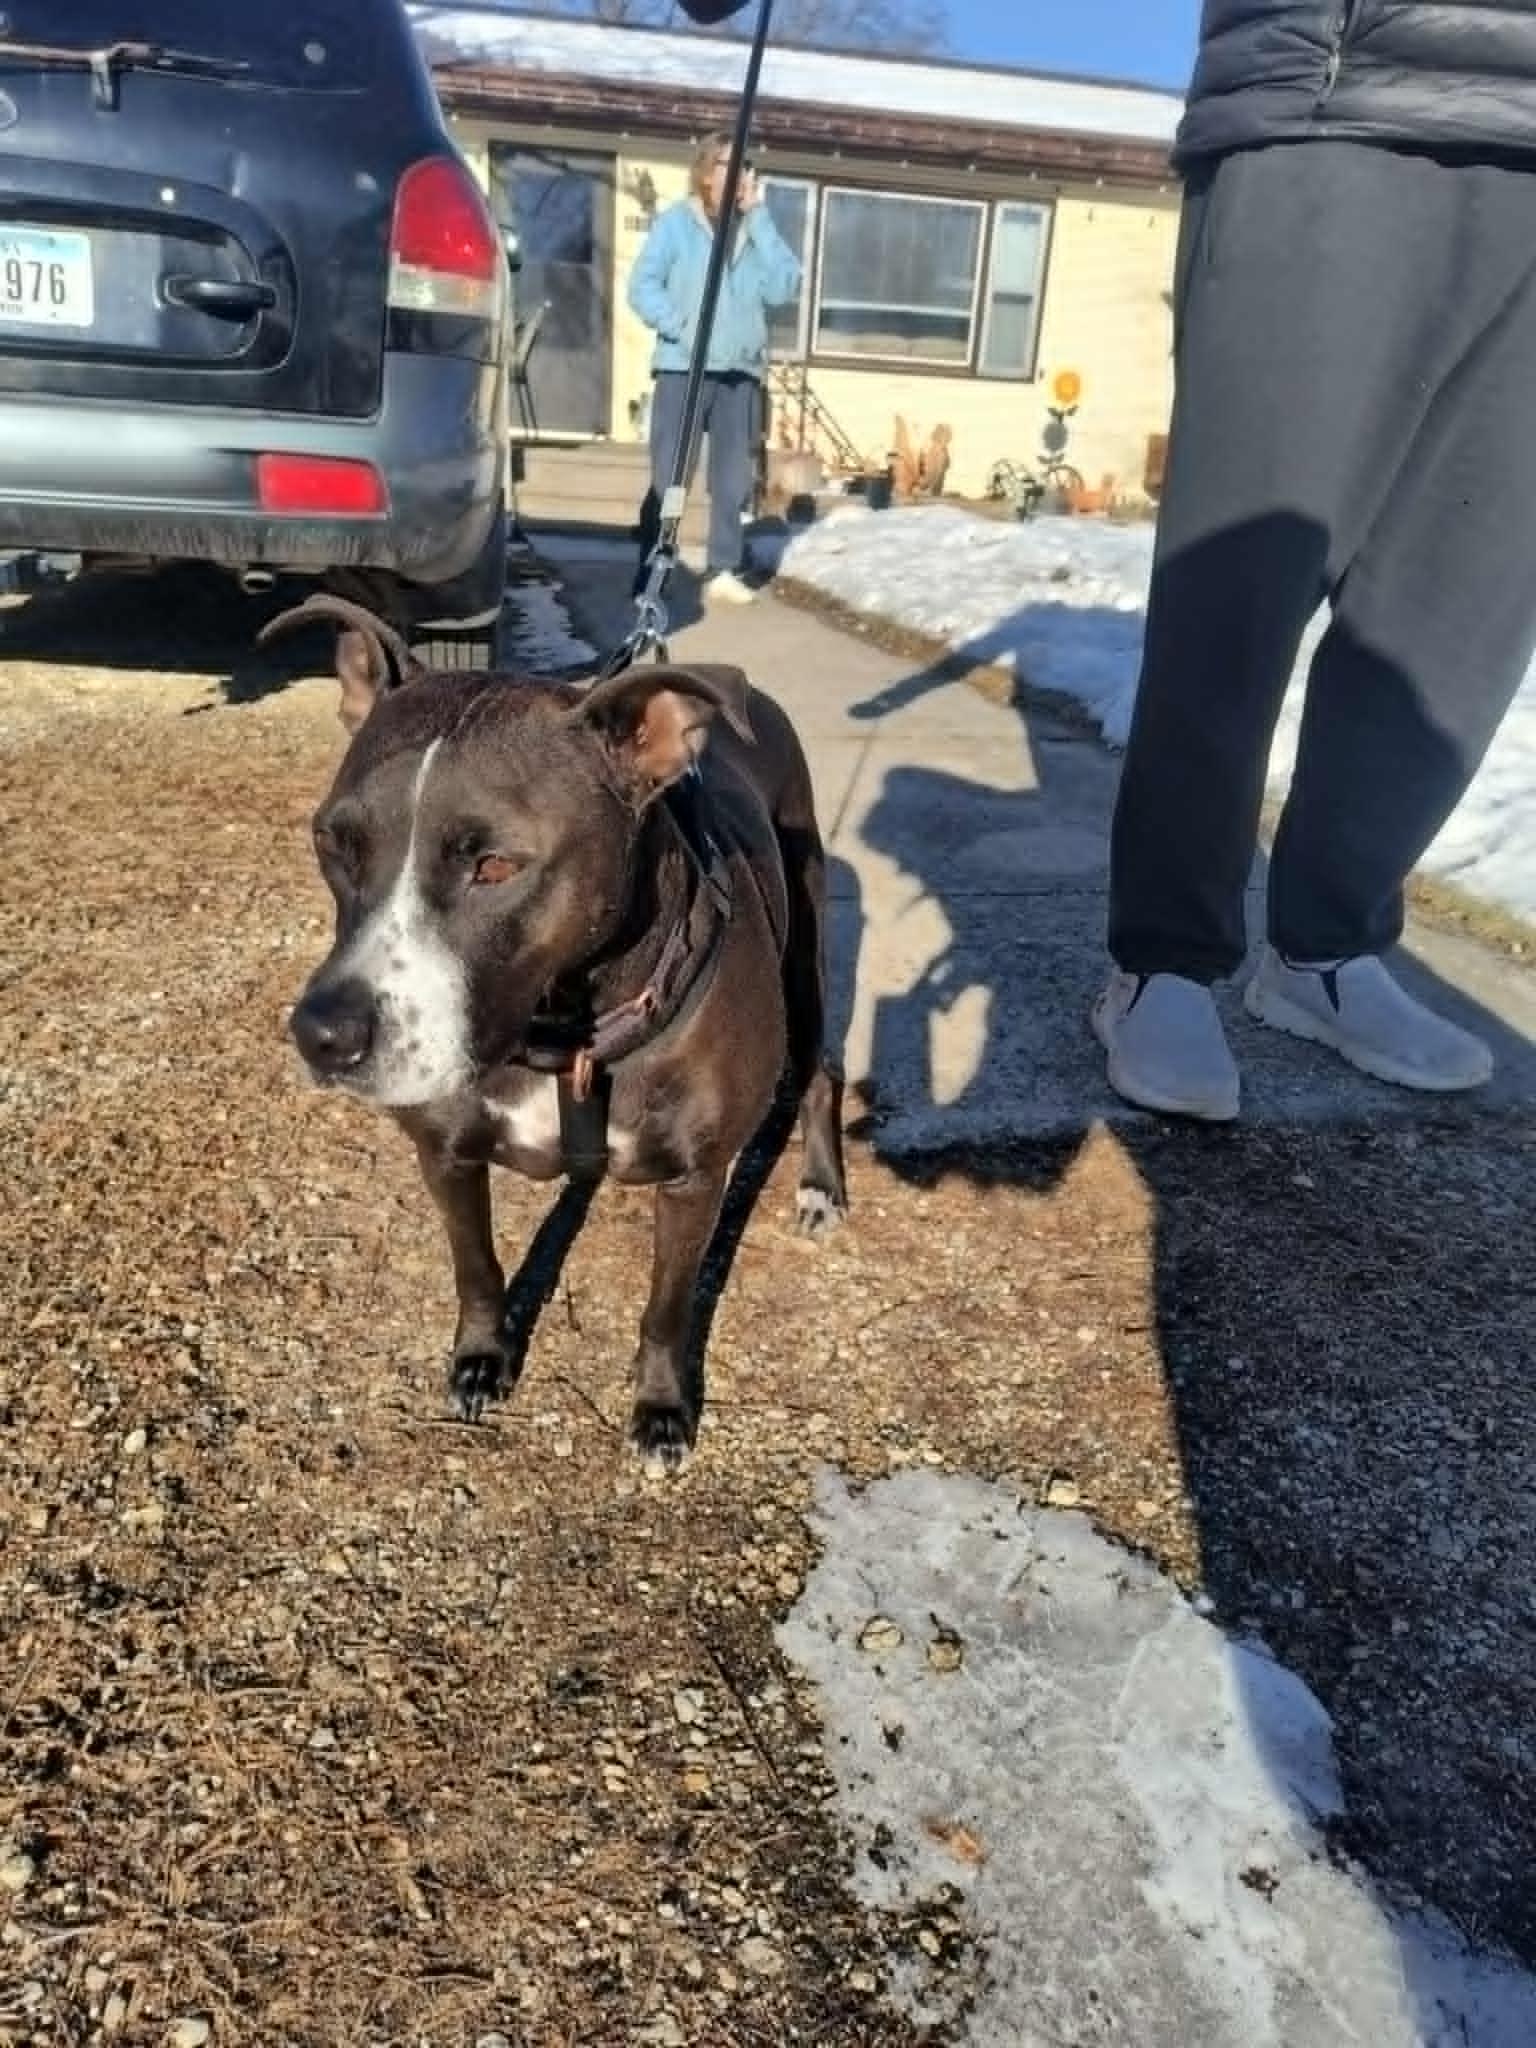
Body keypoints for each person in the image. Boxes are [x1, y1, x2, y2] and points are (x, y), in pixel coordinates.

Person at [1095, 0, 1536, 1122]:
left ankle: (1326, 946)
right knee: (1239, 583)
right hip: (1342, 88)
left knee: (1457, 615)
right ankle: (1166, 957)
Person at [627, 131, 800, 606]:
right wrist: (681, 324)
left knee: (732, 480)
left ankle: (724, 565)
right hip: (684, 367)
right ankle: (652, 572)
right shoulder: (675, 225)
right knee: (670, 478)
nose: (741, 175)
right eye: (730, 164)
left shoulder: (754, 230)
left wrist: (760, 218)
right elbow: (642, 287)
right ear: (706, 171)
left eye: (747, 166)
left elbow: (785, 287)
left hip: (738, 372)